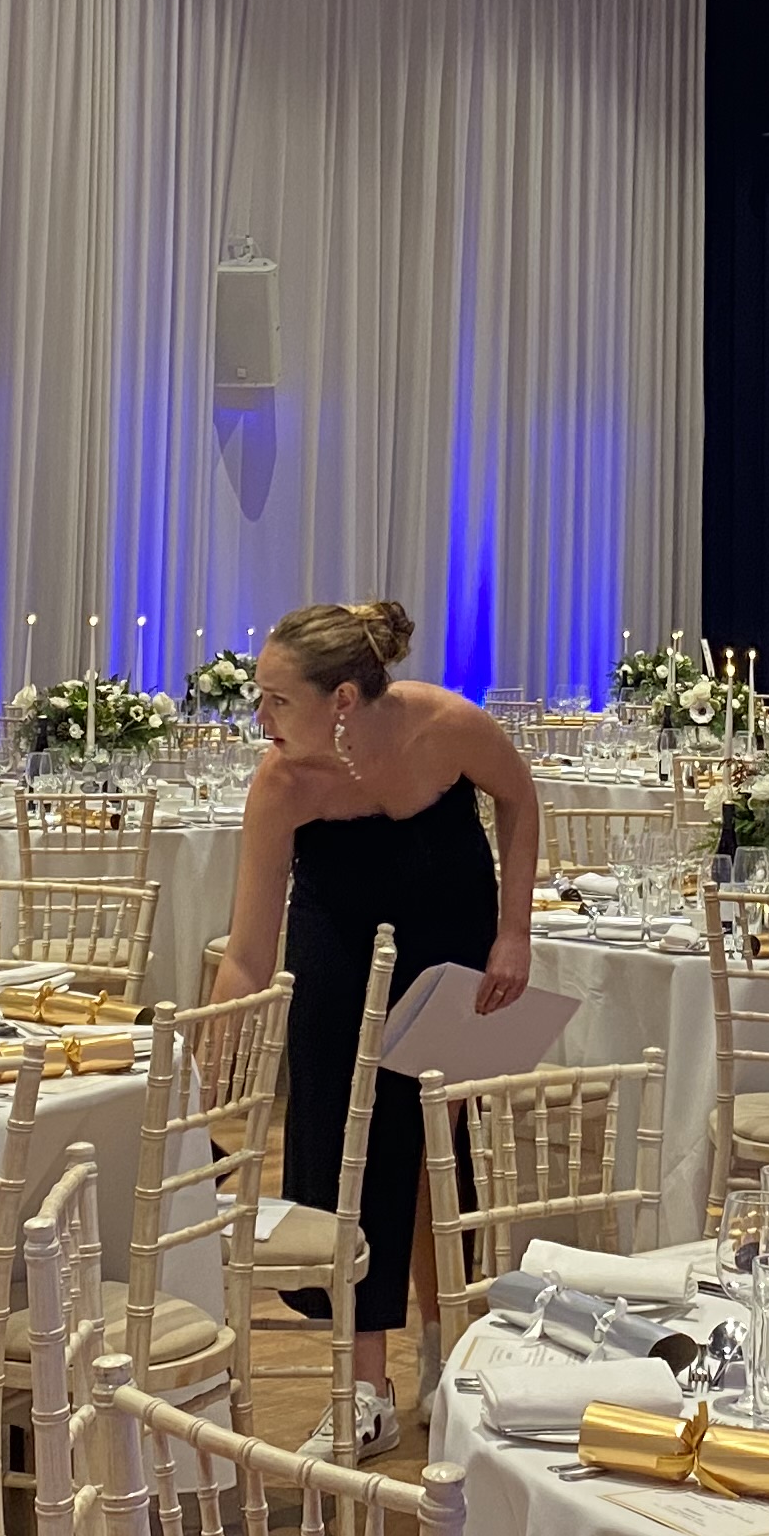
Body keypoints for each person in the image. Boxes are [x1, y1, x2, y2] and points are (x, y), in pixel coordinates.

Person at [211, 598, 540, 1459]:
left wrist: (515, 930)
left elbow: (520, 798)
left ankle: (446, 1354)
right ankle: (364, 1389)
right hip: (339, 968)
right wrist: (218, 1038)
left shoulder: (447, 727)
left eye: (278, 700)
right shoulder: (280, 783)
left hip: (453, 953)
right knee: (347, 1171)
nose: (261, 718)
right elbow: (248, 946)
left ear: (344, 701)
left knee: (439, 1162)